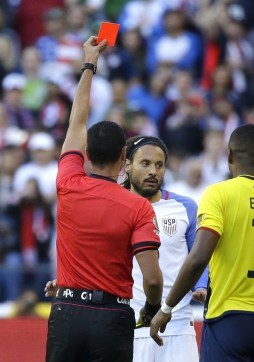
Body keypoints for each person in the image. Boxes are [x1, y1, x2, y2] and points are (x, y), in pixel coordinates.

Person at [150, 124, 254, 360]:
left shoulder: (219, 194)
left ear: (229, 157)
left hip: (228, 318)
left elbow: (199, 257)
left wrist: (166, 308)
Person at [46, 36, 163, 362]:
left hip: (66, 310)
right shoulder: (137, 205)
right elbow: (152, 279)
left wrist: (89, 64)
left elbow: (77, 122)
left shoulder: (67, 182)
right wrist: (152, 308)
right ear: (124, 156)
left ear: (86, 153)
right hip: (112, 317)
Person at [122, 135, 208, 362]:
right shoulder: (114, 206)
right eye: (145, 164)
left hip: (177, 324)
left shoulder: (185, 207)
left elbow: (200, 254)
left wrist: (201, 286)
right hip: (126, 325)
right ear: (127, 166)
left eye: (159, 165)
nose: (153, 171)